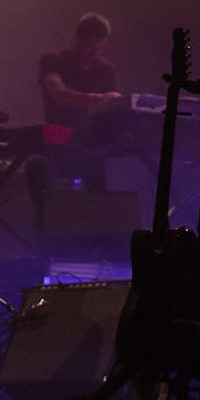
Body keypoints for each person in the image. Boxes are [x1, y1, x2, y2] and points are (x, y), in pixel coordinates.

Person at [26, 13, 122, 235]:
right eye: (90, 45)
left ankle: (99, 237)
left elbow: (113, 109)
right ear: (77, 38)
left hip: (87, 141)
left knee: (96, 159)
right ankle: (47, 234)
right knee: (36, 167)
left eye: (99, 47)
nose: (94, 52)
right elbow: (59, 96)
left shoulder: (106, 69)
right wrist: (102, 98)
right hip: (55, 137)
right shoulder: (52, 60)